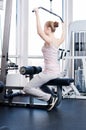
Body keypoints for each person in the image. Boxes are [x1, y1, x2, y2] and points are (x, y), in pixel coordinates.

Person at [23, 8, 65, 111]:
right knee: (40, 84)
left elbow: (39, 32)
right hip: (55, 71)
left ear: (49, 29)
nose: (44, 29)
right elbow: (63, 36)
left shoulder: (49, 40)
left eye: (45, 28)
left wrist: (37, 14)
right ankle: (51, 99)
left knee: (27, 89)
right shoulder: (57, 40)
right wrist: (64, 27)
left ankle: (50, 98)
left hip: (49, 72)